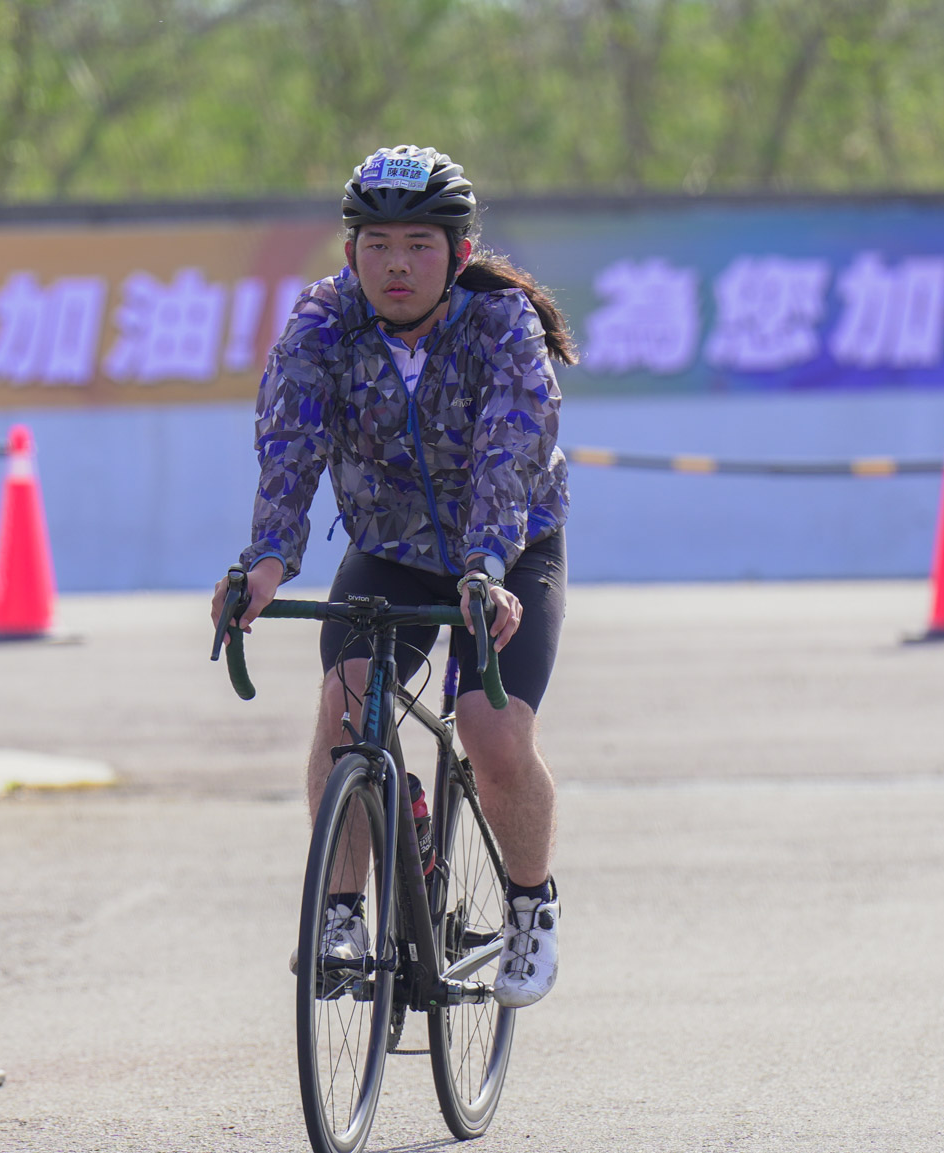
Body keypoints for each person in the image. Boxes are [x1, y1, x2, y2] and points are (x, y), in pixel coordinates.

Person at [212, 145, 577, 1007]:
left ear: (459, 251)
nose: (397, 264)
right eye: (377, 245)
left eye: (419, 244)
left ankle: (531, 903)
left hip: (511, 549)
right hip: (390, 548)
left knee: (491, 730)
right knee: (346, 708)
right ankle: (341, 912)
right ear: (351, 253)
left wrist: (488, 566)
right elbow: (290, 445)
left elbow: (510, 452)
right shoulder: (322, 323)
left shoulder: (502, 323)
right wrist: (266, 562)